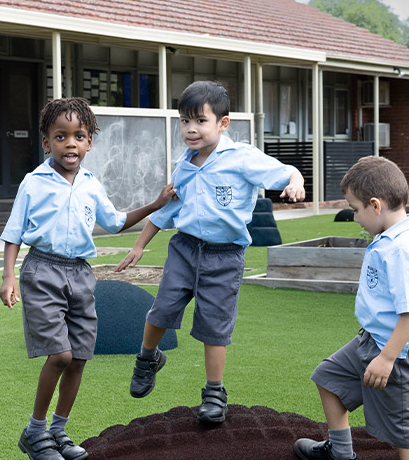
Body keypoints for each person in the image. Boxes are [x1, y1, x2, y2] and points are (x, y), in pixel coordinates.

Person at [0, 97, 175, 460]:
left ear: (89, 142)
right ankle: (35, 430)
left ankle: (59, 433)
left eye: (79, 136)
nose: (70, 144)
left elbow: (115, 222)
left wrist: (155, 204)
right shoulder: (33, 183)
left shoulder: (92, 185)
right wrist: (9, 276)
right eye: (60, 136)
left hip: (80, 273)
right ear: (47, 142)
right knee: (59, 355)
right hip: (42, 271)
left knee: (79, 358)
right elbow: (13, 234)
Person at [115, 80, 305, 423]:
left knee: (214, 325)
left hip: (226, 255)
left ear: (223, 123)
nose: (191, 129)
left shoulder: (242, 158)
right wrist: (139, 246)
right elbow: (166, 211)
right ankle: (147, 358)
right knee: (162, 309)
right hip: (185, 249)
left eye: (200, 121)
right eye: (185, 121)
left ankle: (214, 391)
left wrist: (295, 182)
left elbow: (287, 171)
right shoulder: (183, 165)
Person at [294, 155, 409, 460]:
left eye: (355, 210)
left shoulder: (403, 249)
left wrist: (387, 358)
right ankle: (341, 454)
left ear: (376, 205)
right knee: (326, 377)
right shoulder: (386, 238)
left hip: (396, 350)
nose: (354, 218)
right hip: (369, 341)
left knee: (404, 436)